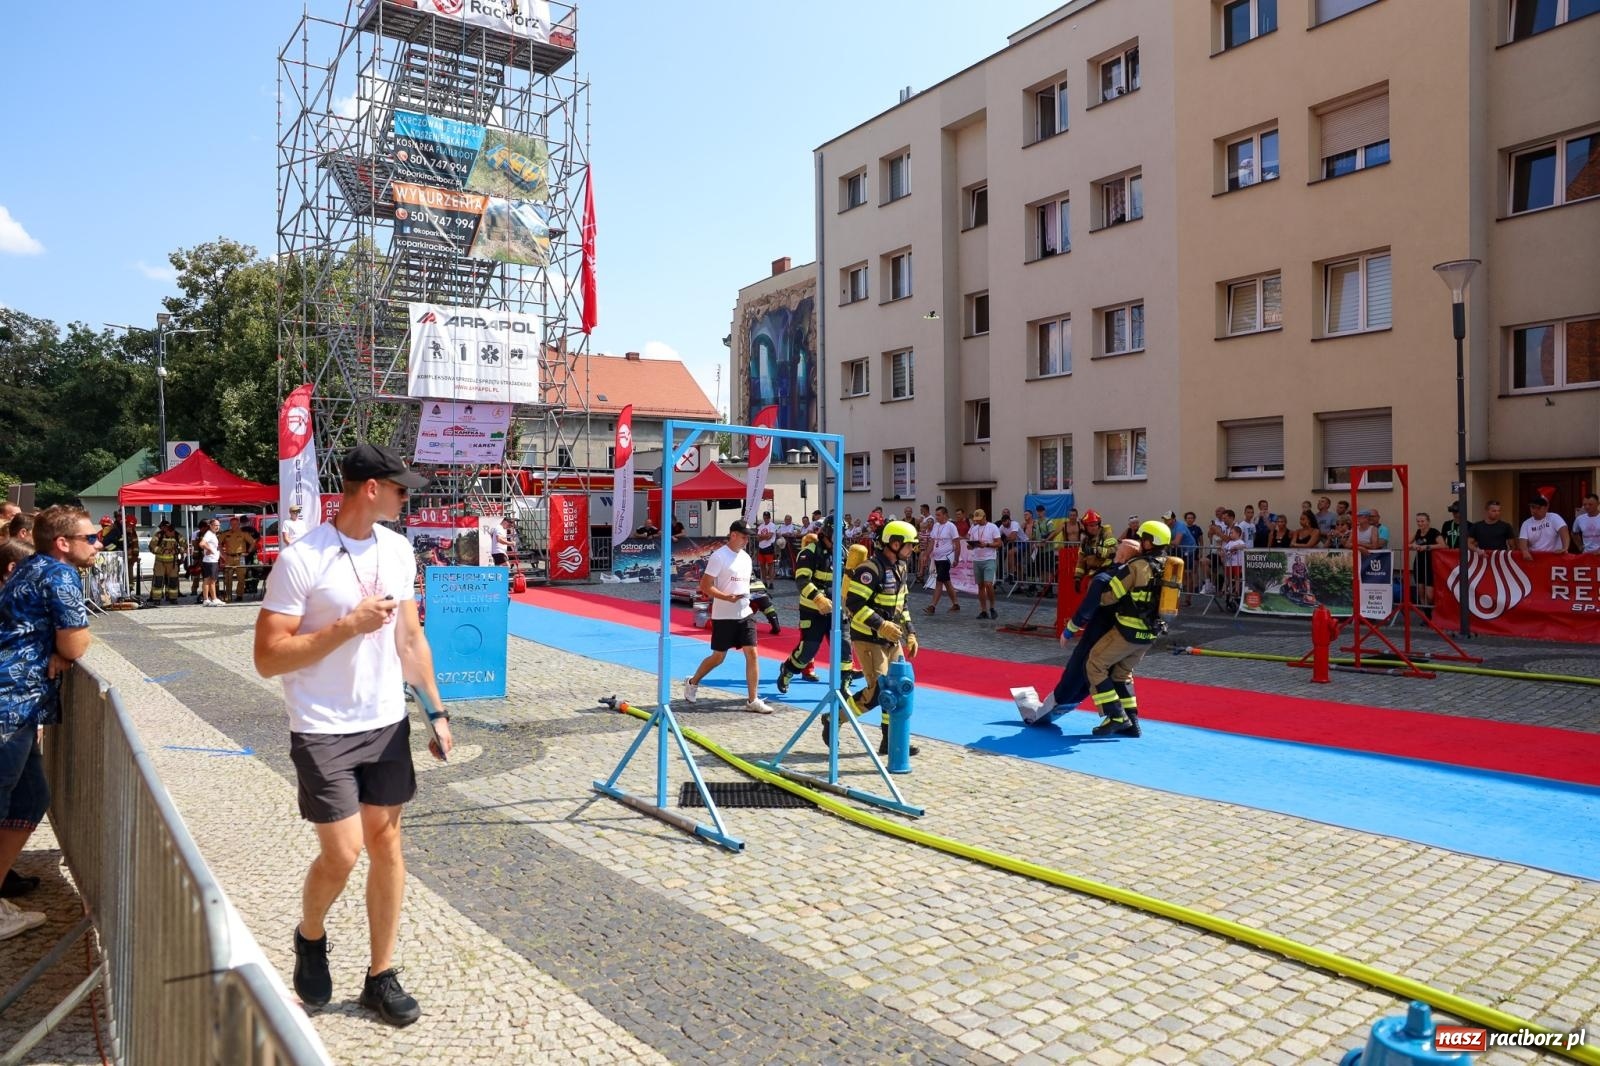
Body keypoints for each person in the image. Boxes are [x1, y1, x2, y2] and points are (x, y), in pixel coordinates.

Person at [253, 443, 448, 1027]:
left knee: (387, 846)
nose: (407, 498)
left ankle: (380, 975)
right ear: (371, 488)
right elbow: (267, 658)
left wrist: (436, 712)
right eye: (401, 489)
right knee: (342, 853)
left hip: (385, 722)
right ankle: (310, 935)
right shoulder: (302, 559)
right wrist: (347, 627)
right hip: (322, 727)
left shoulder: (398, 550)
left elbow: (409, 639)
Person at [0, 505, 99, 933]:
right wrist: (65, 650)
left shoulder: (30, 566)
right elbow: (76, 644)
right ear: (63, 543)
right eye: (89, 538)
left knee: (30, 797)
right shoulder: (60, 574)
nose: (97, 544)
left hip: (18, 701)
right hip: (10, 702)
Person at [1070, 521, 1173, 738]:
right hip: (1150, 633)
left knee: (1095, 664)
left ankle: (1116, 715)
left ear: (1150, 542)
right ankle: (1132, 722)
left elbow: (1110, 596)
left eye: (1143, 538)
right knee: (1122, 674)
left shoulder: (1136, 566)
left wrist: (1096, 595)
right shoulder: (1169, 566)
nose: (1141, 541)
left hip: (1128, 630)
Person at [845, 519, 921, 757]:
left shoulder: (900, 567)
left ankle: (891, 740)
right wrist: (882, 625)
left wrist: (910, 633)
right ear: (894, 544)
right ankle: (835, 718)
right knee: (879, 691)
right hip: (868, 638)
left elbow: (901, 604)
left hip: (891, 638)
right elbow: (854, 604)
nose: (912, 550)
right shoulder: (870, 570)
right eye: (909, 545)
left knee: (896, 688)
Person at [682, 520, 773, 715]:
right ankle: (693, 682)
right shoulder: (719, 556)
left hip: (745, 613)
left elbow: (745, 584)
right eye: (743, 536)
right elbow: (705, 586)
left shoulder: (746, 558)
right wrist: (726, 597)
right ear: (733, 535)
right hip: (723, 615)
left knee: (752, 653)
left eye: (748, 537)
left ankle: (753, 700)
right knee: (718, 657)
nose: (746, 540)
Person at [777, 517, 855, 701]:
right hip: (813, 609)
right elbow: (802, 580)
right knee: (808, 649)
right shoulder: (809, 552)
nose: (840, 538)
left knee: (844, 646)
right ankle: (788, 670)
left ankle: (844, 685)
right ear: (827, 532)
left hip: (836, 609)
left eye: (842, 534)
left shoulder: (842, 553)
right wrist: (819, 599)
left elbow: (847, 580)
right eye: (837, 534)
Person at [923, 506, 961, 614]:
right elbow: (932, 541)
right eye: (936, 515)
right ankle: (956, 604)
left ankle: (932, 606)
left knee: (939, 581)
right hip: (937, 558)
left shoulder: (951, 526)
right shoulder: (936, 526)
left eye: (939, 515)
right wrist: (926, 554)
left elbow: (957, 543)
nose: (937, 517)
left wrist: (956, 558)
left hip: (946, 558)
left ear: (945, 515)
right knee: (946, 581)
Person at [967, 508, 1002, 619]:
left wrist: (986, 545)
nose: (977, 521)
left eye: (979, 519)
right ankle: (983, 610)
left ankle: (992, 607)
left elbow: (999, 543)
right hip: (977, 559)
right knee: (980, 586)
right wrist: (971, 546)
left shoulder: (992, 527)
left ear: (984, 517)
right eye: (976, 519)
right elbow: (971, 543)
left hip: (989, 558)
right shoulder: (974, 528)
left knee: (988, 584)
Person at [1073, 510, 1117, 592]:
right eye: (1091, 525)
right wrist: (1078, 577)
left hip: (1107, 571)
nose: (1094, 527)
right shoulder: (1085, 541)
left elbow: (1113, 552)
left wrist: (1096, 551)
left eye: (1096, 524)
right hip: (1093, 574)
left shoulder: (1106, 534)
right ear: (1085, 526)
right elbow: (1081, 561)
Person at [219, 515, 256, 603]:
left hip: (240, 557)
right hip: (229, 557)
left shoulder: (243, 533)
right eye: (232, 524)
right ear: (230, 524)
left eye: (236, 524)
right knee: (228, 578)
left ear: (239, 524)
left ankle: (239, 595)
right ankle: (228, 595)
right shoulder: (225, 534)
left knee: (241, 577)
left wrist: (248, 552)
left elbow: (253, 542)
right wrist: (222, 554)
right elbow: (218, 544)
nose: (234, 526)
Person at [149, 519, 184, 605]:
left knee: (173, 580)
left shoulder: (177, 535)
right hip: (160, 563)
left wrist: (176, 551)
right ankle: (156, 599)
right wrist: (163, 550)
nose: (171, 534)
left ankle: (173, 598)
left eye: (172, 532)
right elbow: (151, 546)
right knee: (158, 580)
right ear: (166, 530)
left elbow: (185, 546)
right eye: (169, 532)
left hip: (173, 563)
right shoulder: (159, 535)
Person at [1411, 513, 1441, 607]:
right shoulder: (1417, 532)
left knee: (1430, 595)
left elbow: (1443, 545)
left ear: (1428, 521)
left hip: (1431, 563)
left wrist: (1427, 547)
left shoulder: (1434, 532)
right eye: (1418, 521)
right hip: (1419, 563)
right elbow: (1407, 544)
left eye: (1422, 521)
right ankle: (1426, 612)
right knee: (1420, 591)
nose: (1420, 523)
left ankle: (1431, 609)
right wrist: (1413, 545)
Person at [200, 518, 223, 606]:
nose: (217, 527)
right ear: (210, 525)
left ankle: (209, 599)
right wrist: (209, 549)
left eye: (218, 525)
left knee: (210, 580)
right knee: (210, 580)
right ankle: (211, 599)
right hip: (210, 561)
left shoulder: (212, 534)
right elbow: (202, 543)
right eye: (215, 525)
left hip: (212, 560)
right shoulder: (209, 534)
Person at [755, 512, 777, 585]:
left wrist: (761, 536)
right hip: (761, 547)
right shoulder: (761, 526)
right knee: (762, 565)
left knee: (770, 565)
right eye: (764, 518)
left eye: (767, 518)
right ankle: (764, 581)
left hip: (769, 547)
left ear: (769, 518)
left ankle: (771, 582)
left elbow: (769, 537)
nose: (765, 519)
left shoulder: (772, 525)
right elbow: (757, 538)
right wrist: (765, 536)